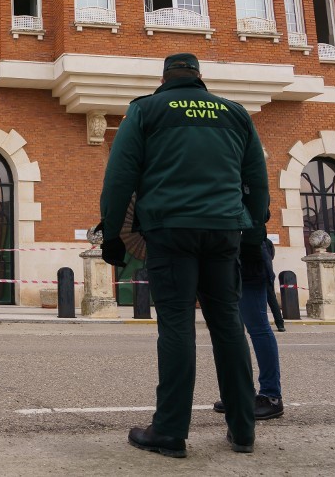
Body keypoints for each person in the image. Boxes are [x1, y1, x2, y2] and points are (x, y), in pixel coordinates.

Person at [99, 53, 269, 458]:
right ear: (199, 77)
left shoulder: (146, 110)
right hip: (225, 229)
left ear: (165, 78)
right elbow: (257, 179)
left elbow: (119, 176)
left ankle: (170, 431)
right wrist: (254, 233)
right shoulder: (235, 113)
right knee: (228, 323)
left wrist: (111, 236)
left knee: (176, 326)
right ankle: (243, 429)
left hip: (170, 230)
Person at [214, 226, 284, 420]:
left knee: (258, 328)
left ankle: (271, 396)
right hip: (227, 255)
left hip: (247, 257)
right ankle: (241, 395)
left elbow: (259, 215)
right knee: (232, 330)